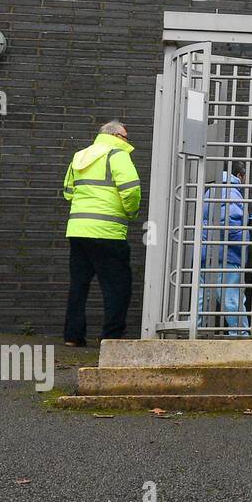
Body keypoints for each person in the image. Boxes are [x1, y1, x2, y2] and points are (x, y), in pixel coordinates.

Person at [62, 120, 141, 347]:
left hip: (78, 231)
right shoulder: (117, 155)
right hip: (108, 233)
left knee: (79, 285)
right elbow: (131, 189)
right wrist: (131, 212)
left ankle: (73, 336)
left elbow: (68, 191)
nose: (127, 141)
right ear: (115, 135)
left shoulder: (80, 155)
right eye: (125, 136)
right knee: (117, 286)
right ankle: (112, 336)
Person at [198, 166, 251, 336]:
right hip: (227, 254)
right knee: (232, 299)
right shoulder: (231, 191)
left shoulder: (210, 190)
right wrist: (242, 243)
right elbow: (230, 222)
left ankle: (196, 333)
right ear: (239, 175)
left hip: (206, 254)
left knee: (202, 299)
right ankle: (240, 337)